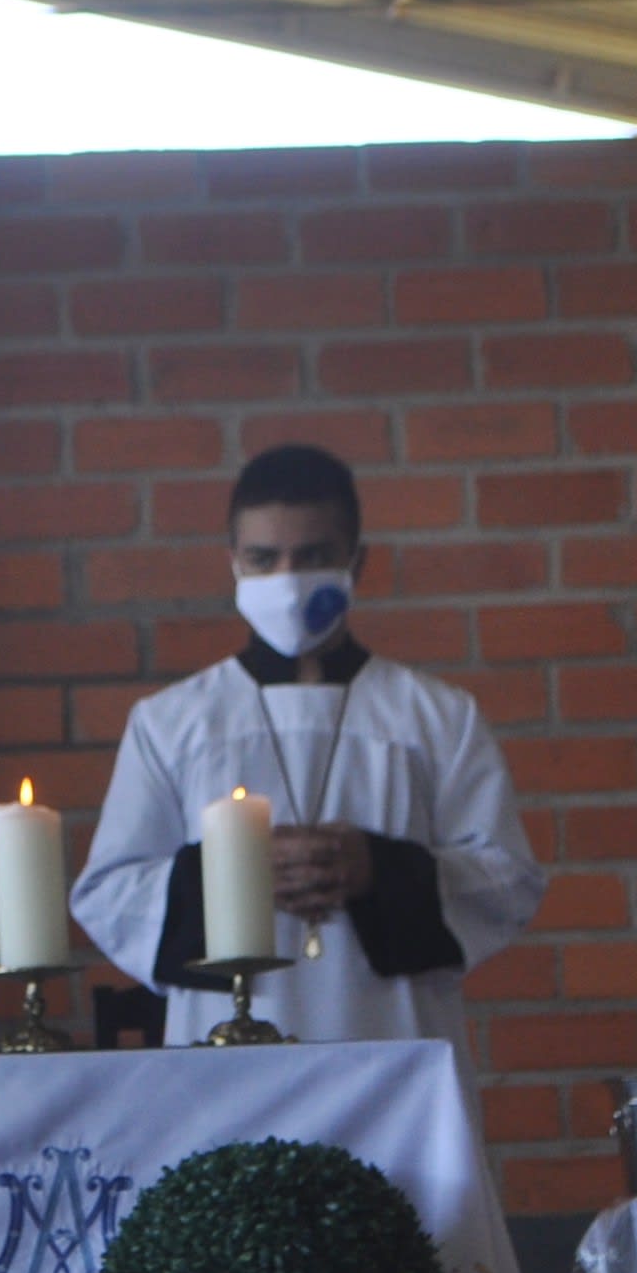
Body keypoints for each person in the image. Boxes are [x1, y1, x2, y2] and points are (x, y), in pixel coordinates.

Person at [73, 443, 543, 1044]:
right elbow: (109, 894)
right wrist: (234, 872)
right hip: (226, 1054)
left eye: (313, 556)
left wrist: (379, 869)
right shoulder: (172, 723)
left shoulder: (435, 717)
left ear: (357, 561)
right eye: (264, 559)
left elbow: (507, 880)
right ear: (234, 565)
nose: (287, 581)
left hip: (389, 1040)